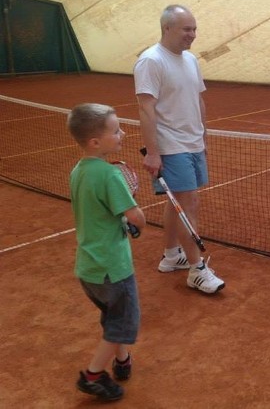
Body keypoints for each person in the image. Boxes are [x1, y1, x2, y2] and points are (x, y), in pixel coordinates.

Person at [134, 4, 224, 294]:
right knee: (188, 204)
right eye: (187, 29)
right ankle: (197, 269)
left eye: (194, 29)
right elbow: (145, 109)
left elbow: (199, 101)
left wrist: (203, 138)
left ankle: (172, 255)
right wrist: (153, 152)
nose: (192, 35)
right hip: (171, 146)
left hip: (193, 143)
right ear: (167, 28)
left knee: (176, 202)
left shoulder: (191, 60)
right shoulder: (151, 61)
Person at [67, 103, 146, 401]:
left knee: (113, 317)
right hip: (114, 267)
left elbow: (102, 212)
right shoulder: (111, 176)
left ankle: (122, 360)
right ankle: (93, 375)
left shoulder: (78, 170)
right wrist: (137, 221)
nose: (122, 133)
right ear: (95, 142)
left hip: (89, 269)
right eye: (115, 130)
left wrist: (122, 221)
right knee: (123, 323)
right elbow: (134, 215)